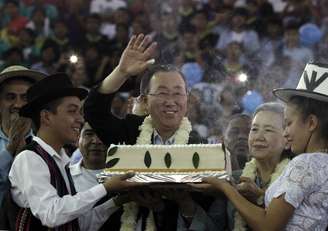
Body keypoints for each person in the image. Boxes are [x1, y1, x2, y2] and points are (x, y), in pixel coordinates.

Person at [84, 34, 226, 230]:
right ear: (144, 101)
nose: (171, 101)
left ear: (187, 100)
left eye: (178, 93)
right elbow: (93, 110)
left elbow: (206, 205)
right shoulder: (129, 132)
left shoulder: (199, 147)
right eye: (162, 92)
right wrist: (121, 71)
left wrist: (180, 201)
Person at [195, 62, 328, 230]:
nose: (285, 133)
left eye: (288, 123)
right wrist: (260, 195)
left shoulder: (304, 164)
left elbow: (268, 226)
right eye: (255, 129)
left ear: (311, 123)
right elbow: (304, 206)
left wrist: (226, 188)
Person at [8, 73, 140, 230]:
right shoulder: (29, 158)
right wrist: (105, 188)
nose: (80, 119)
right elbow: (51, 214)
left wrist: (118, 201)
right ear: (46, 117)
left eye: (79, 112)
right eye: (72, 111)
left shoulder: (62, 160)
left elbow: (78, 225)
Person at [231, 102, 291, 230]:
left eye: (268, 130)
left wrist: (261, 198)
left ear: (287, 140)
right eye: (254, 129)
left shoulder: (295, 179)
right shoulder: (234, 179)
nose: (258, 137)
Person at [0, 65, 46, 206]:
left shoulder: (46, 144)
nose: (18, 105)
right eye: (10, 97)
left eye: (25, 98)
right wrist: (10, 149)